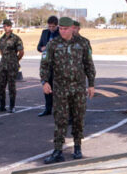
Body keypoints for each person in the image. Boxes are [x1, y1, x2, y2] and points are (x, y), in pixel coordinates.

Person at [40, 17, 96, 163]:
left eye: (65, 29)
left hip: (78, 88)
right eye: (61, 29)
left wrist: (91, 84)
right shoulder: (53, 44)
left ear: (72, 28)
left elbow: (89, 64)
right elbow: (45, 64)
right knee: (60, 119)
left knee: (78, 118)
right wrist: (44, 81)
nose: (62, 31)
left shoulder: (82, 43)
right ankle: (58, 150)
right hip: (60, 88)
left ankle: (78, 147)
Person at [0, 20, 24, 113]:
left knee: (11, 86)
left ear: (11, 27)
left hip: (12, 65)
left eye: (7, 26)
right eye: (4, 26)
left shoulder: (16, 38)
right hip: (3, 65)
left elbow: (21, 52)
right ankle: (2, 106)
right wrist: (5, 59)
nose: (5, 27)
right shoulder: (1, 38)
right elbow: (1, 51)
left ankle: (12, 106)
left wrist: (15, 60)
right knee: (0, 85)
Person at [36, 16, 60, 116]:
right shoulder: (45, 33)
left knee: (58, 88)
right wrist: (42, 48)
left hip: (58, 65)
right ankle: (48, 108)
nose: (51, 28)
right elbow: (38, 46)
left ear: (57, 25)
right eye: (49, 26)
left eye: (53, 26)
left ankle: (59, 109)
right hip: (47, 64)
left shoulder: (60, 33)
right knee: (46, 86)